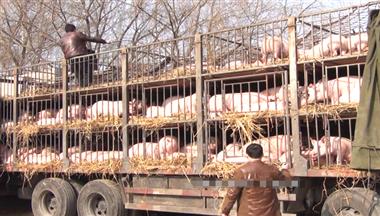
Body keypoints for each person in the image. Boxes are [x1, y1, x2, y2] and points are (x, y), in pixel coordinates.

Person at [219, 143, 291, 216]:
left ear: (246, 155)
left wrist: (225, 211)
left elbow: (232, 193)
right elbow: (286, 181)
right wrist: (285, 170)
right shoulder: (271, 169)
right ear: (262, 155)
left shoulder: (241, 171)